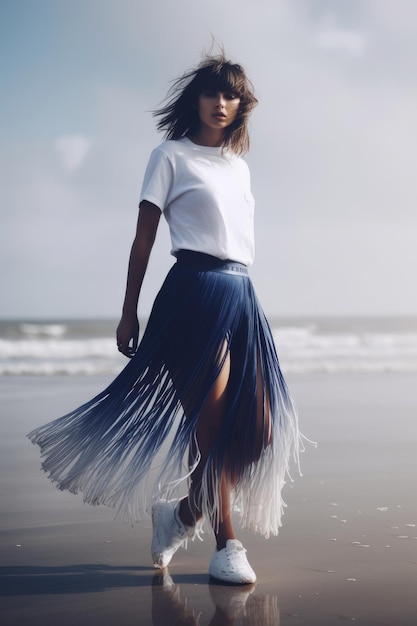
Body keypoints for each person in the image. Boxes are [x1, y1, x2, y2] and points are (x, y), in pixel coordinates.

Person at [28, 52, 305, 585]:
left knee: (260, 432)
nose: (220, 103)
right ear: (194, 99)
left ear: (241, 105)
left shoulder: (238, 166)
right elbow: (144, 239)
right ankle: (227, 545)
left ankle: (179, 516)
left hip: (243, 297)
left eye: (230, 96)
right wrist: (128, 310)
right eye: (211, 93)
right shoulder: (169, 156)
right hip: (192, 295)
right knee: (214, 423)